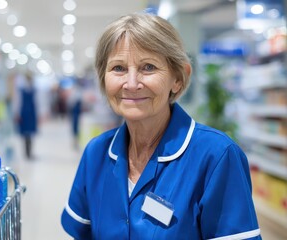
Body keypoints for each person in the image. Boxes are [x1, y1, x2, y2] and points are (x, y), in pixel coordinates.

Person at [61, 13, 261, 239]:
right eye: (118, 68)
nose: (132, 83)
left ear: (178, 78)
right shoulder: (95, 153)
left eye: (148, 67)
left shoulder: (217, 156)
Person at [14, 71, 38, 159]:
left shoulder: (33, 90)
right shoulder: (21, 90)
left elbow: (37, 103)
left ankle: (30, 152)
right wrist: (17, 113)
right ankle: (26, 153)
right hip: (24, 114)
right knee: (25, 135)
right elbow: (18, 103)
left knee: (31, 134)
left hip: (31, 114)